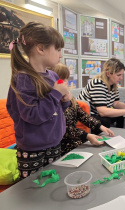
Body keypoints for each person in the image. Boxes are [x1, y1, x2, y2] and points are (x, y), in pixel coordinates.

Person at [6, 22, 70, 179]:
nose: (60, 55)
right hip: (32, 149)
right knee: (32, 190)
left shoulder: (54, 75)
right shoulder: (23, 78)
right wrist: (56, 94)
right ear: (41, 49)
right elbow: (33, 115)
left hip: (54, 142)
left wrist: (65, 99)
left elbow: (57, 110)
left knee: (51, 184)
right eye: (58, 49)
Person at [52, 63, 115, 156]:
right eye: (62, 79)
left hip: (76, 143)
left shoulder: (69, 97)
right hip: (63, 149)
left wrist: (99, 126)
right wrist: (87, 136)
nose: (65, 82)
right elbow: (65, 129)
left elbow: (82, 115)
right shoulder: (53, 102)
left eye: (67, 79)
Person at [78, 58, 125, 128]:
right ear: (108, 73)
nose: (121, 78)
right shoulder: (98, 84)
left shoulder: (113, 85)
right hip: (86, 116)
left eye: (122, 75)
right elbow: (102, 112)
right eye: (118, 75)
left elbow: (116, 104)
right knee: (105, 121)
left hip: (98, 114)